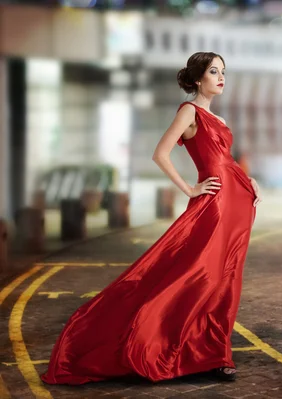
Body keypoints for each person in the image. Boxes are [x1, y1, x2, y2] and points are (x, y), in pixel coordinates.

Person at [41, 52, 261, 385]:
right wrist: (189, 188)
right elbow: (160, 153)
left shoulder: (221, 120)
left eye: (223, 72)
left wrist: (249, 180)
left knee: (226, 281)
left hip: (238, 204)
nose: (221, 77)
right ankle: (156, 341)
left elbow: (226, 161)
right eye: (214, 71)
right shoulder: (190, 111)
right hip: (213, 205)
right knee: (199, 276)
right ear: (198, 78)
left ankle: (215, 353)